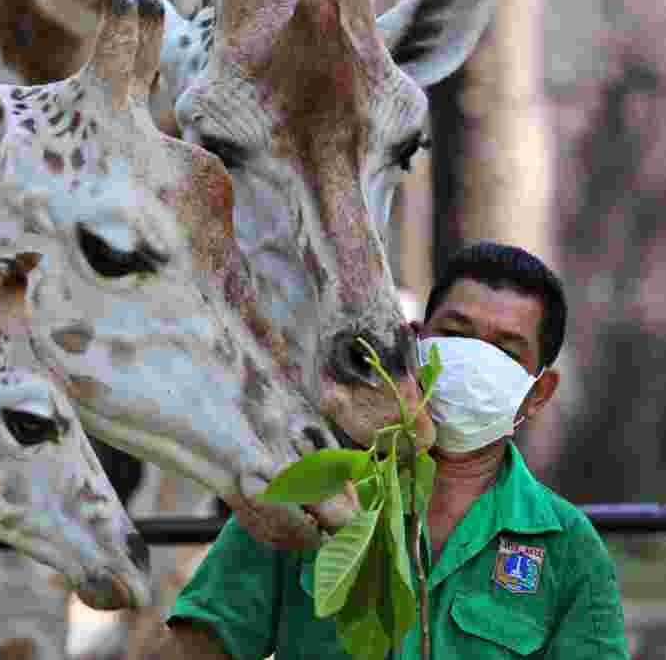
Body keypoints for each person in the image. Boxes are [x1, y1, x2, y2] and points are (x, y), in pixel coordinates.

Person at [155, 242, 630, 659]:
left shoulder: (568, 547)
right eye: (457, 335)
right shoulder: (313, 487)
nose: (471, 361)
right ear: (414, 342)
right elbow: (200, 645)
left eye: (506, 352)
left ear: (538, 391)